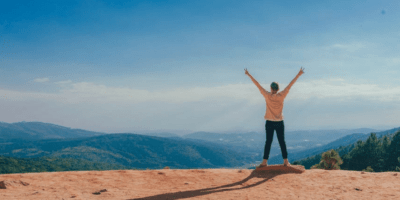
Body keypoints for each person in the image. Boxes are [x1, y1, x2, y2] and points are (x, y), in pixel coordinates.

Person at [244, 67, 305, 167]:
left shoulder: (267, 95)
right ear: (278, 89)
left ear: (271, 88)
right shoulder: (282, 95)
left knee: (268, 142)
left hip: (269, 122)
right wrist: (299, 74)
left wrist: (249, 74)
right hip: (279, 122)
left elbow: (257, 85)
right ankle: (286, 161)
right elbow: (290, 85)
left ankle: (264, 162)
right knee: (282, 142)